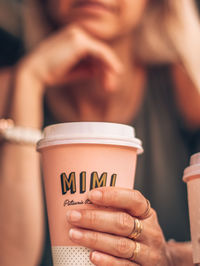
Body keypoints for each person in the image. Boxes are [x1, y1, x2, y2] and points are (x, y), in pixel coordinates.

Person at [0, 0, 200, 265]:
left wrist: (170, 257)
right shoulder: (9, 92)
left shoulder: (187, 87)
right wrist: (29, 79)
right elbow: (13, 260)